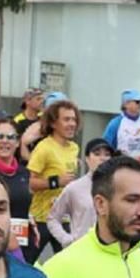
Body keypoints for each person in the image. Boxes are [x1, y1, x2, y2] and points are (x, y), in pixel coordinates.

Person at [28, 99, 82, 256]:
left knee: (69, 261)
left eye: (74, 119)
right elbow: (31, 183)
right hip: (41, 218)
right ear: (53, 123)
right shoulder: (44, 148)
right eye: (66, 119)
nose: (72, 124)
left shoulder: (74, 148)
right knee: (28, 261)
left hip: (63, 218)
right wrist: (56, 181)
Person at [46, 138, 115, 249]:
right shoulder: (75, 188)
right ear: (87, 159)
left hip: (111, 249)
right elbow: (52, 218)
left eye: (107, 155)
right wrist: (67, 239)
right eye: (97, 154)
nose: (102, 158)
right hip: (81, 250)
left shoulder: (118, 188)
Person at [0, 118, 37, 263]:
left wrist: (31, 219)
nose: (5, 141)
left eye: (10, 137)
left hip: (24, 246)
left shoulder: (25, 173)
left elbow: (22, 202)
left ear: (18, 142)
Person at [102, 88, 140, 163]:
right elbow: (105, 146)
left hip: (138, 167)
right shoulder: (115, 123)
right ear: (126, 104)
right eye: (137, 102)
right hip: (120, 166)